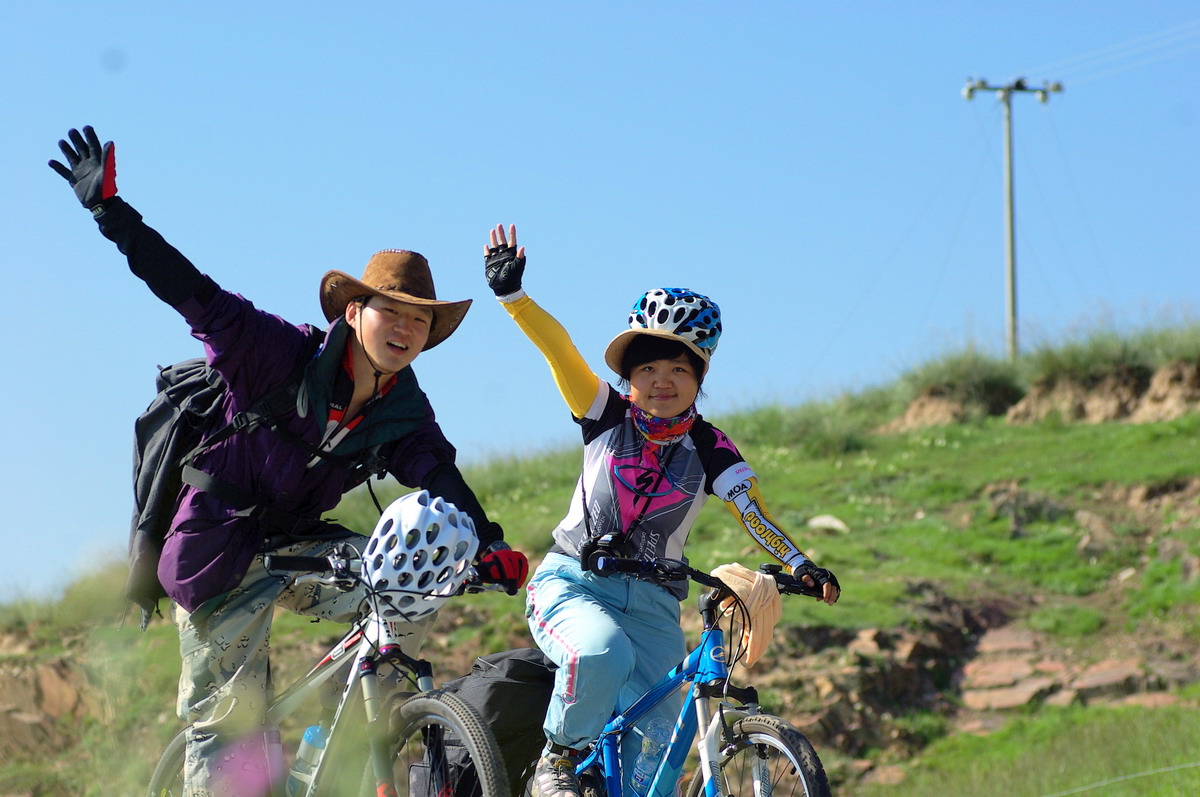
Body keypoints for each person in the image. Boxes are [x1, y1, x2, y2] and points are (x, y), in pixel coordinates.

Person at [49, 126, 529, 797]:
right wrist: (111, 213)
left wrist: (492, 542)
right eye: (390, 311)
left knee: (411, 576)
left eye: (419, 321)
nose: (404, 329)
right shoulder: (276, 353)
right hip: (217, 552)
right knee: (230, 726)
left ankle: (363, 732)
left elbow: (440, 477)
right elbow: (191, 290)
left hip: (303, 549)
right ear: (354, 312)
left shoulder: (403, 408)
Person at [482, 224, 841, 797]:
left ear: (699, 376)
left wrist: (800, 563)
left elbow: (752, 513)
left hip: (654, 607)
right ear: (629, 379)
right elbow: (560, 349)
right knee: (600, 652)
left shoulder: (710, 446)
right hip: (572, 584)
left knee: (658, 759)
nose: (662, 380)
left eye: (679, 368)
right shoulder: (603, 413)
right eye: (647, 368)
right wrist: (514, 298)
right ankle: (557, 762)